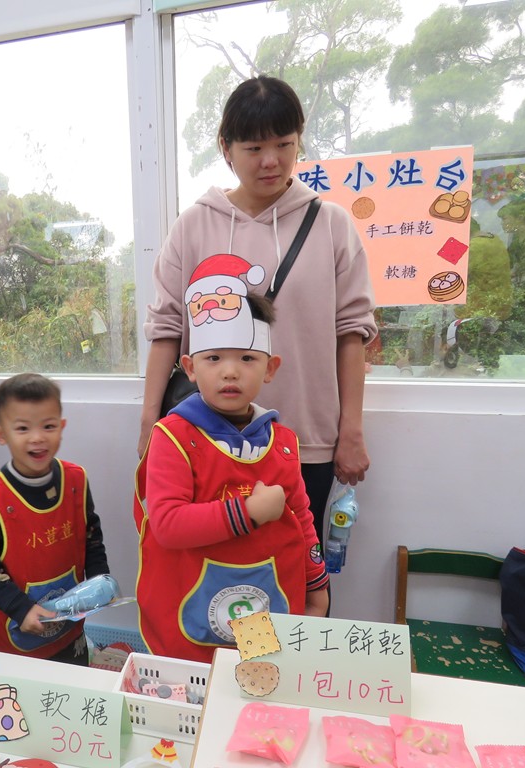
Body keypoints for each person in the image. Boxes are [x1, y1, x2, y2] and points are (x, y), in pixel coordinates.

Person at [139, 76, 377, 554]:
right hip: (204, 439)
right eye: (253, 148)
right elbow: (167, 329)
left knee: (298, 571)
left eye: (284, 144)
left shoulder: (331, 224)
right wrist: (149, 422)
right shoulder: (193, 226)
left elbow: (352, 333)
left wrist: (351, 429)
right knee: (212, 575)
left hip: (305, 439)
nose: (271, 160)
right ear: (226, 148)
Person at [135, 261, 328, 663]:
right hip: (187, 600)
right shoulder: (173, 437)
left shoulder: (282, 443)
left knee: (252, 676)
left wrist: (315, 581)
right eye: (213, 358)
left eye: (247, 358)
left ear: (270, 369)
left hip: (260, 598)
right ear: (190, 368)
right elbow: (167, 524)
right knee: (196, 685)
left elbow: (302, 518)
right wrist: (248, 512)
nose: (229, 371)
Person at [0, 373, 110, 664]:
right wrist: (21, 608)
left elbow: (91, 535)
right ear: (0, 434)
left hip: (69, 628)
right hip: (14, 633)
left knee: (73, 682)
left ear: (61, 427)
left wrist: (99, 581)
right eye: (22, 428)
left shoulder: (76, 480)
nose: (37, 437)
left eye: (48, 426)